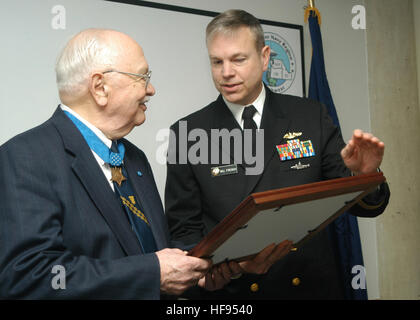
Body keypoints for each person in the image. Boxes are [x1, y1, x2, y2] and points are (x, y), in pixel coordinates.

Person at [165, 10, 390, 299]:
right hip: (235, 292)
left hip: (308, 286)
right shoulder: (187, 132)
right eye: (216, 61)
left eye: (238, 59)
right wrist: (214, 273)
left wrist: (364, 176)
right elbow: (184, 230)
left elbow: (355, 206)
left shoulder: (310, 116)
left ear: (265, 56)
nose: (226, 73)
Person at [0, 29, 212, 299]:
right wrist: (151, 274)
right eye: (142, 77)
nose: (151, 89)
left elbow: (149, 251)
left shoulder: (133, 158)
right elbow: (30, 277)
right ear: (100, 88)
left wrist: (204, 270)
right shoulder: (24, 158)